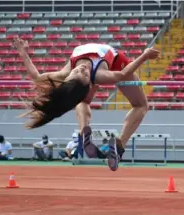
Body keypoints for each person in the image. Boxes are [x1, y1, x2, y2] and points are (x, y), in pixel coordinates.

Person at [13, 36, 160, 171]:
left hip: (104, 65)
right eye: (84, 75)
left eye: (77, 72)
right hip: (117, 64)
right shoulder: (98, 75)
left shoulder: (66, 73)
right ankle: (117, 144)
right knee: (141, 105)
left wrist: (23, 53)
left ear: (69, 77)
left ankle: (93, 136)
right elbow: (122, 74)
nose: (81, 69)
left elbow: (37, 77)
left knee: (82, 99)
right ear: (90, 83)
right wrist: (144, 56)